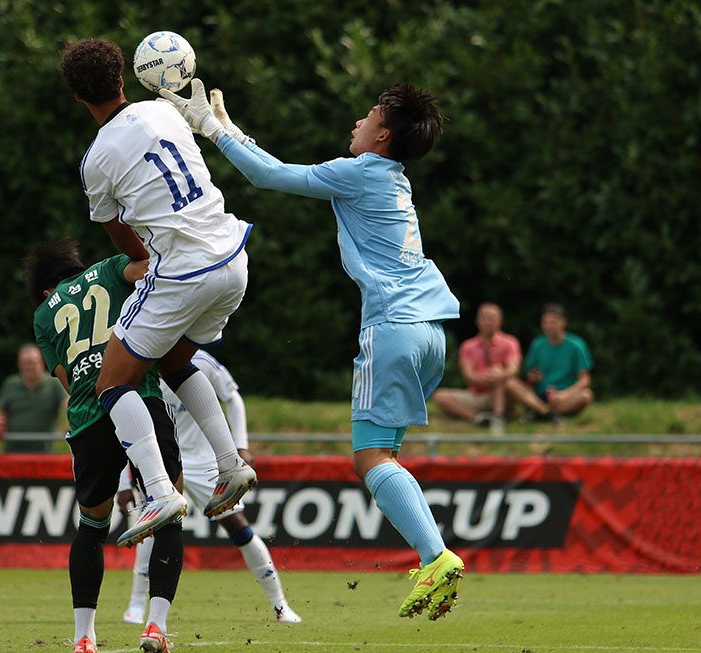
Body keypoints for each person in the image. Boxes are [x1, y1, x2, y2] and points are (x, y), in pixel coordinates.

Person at [161, 81, 464, 620]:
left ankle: (436, 556)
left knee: (369, 459)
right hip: (434, 329)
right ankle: (433, 555)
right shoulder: (394, 178)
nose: (357, 122)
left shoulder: (361, 172)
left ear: (382, 135)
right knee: (384, 456)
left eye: (367, 115)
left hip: (393, 328)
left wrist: (210, 130)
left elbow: (269, 175)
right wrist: (229, 129)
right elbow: (275, 164)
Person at [59, 38, 257, 549]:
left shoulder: (95, 160)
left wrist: (144, 261)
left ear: (77, 98)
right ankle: (231, 465)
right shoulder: (164, 113)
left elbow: (119, 235)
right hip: (233, 256)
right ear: (123, 78)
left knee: (110, 383)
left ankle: (160, 492)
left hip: (184, 273)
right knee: (172, 362)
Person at [25, 238, 184, 653]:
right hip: (140, 396)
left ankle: (83, 637)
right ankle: (155, 628)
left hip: (88, 418)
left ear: (44, 288)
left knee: (92, 528)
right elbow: (149, 267)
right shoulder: (111, 268)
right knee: (170, 509)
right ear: (76, 265)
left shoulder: (44, 313)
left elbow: (64, 377)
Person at [118, 350, 302, 626]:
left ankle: (280, 605)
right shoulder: (140, 359)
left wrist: (241, 445)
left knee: (238, 526)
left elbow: (233, 398)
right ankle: (136, 606)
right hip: (164, 459)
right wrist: (123, 482)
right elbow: (122, 424)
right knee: (153, 526)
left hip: (205, 462)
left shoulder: (200, 360)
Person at [432, 303, 550, 434]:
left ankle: (502, 416)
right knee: (440, 396)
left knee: (500, 374)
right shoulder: (468, 346)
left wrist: (497, 375)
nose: (488, 322)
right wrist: (485, 378)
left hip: (505, 394)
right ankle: (479, 419)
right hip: (477, 394)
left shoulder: (510, 342)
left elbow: (513, 369)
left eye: (492, 318)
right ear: (477, 321)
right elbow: (468, 376)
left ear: (499, 322)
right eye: (485, 318)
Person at [0, 343, 68, 453]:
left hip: (44, 454)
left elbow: (68, 405)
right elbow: (0, 412)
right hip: (12, 454)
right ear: (19, 365)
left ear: (42, 363)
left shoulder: (54, 384)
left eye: (32, 363)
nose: (29, 367)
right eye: (25, 363)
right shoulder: (10, 383)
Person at [520, 303, 594, 418]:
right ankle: (549, 412)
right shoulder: (537, 344)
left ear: (563, 322)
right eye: (546, 322)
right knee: (515, 386)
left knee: (586, 395)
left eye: (553, 322)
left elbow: (585, 379)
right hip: (540, 394)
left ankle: (541, 412)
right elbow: (529, 378)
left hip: (565, 394)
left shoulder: (576, 345)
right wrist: (532, 378)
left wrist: (565, 394)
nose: (549, 326)